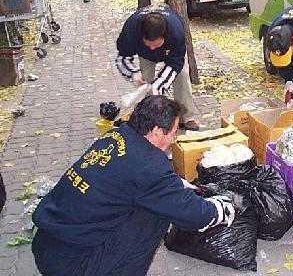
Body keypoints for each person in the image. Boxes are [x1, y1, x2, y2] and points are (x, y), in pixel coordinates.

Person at [31, 95, 235, 276]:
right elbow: (195, 215)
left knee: (156, 201)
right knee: (156, 214)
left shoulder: (116, 135)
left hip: (47, 244)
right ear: (156, 131)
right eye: (173, 132)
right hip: (72, 265)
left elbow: (128, 179)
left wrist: (174, 186)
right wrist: (221, 208)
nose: (174, 138)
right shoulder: (149, 165)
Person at [115, 4, 201, 131]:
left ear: (165, 36)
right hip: (145, 56)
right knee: (145, 83)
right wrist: (133, 73)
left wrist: (159, 84)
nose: (152, 48)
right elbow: (122, 58)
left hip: (172, 54)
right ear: (141, 36)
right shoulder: (131, 29)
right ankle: (150, 118)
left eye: (156, 45)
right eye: (149, 44)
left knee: (181, 76)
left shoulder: (176, 31)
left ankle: (187, 117)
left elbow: (175, 63)